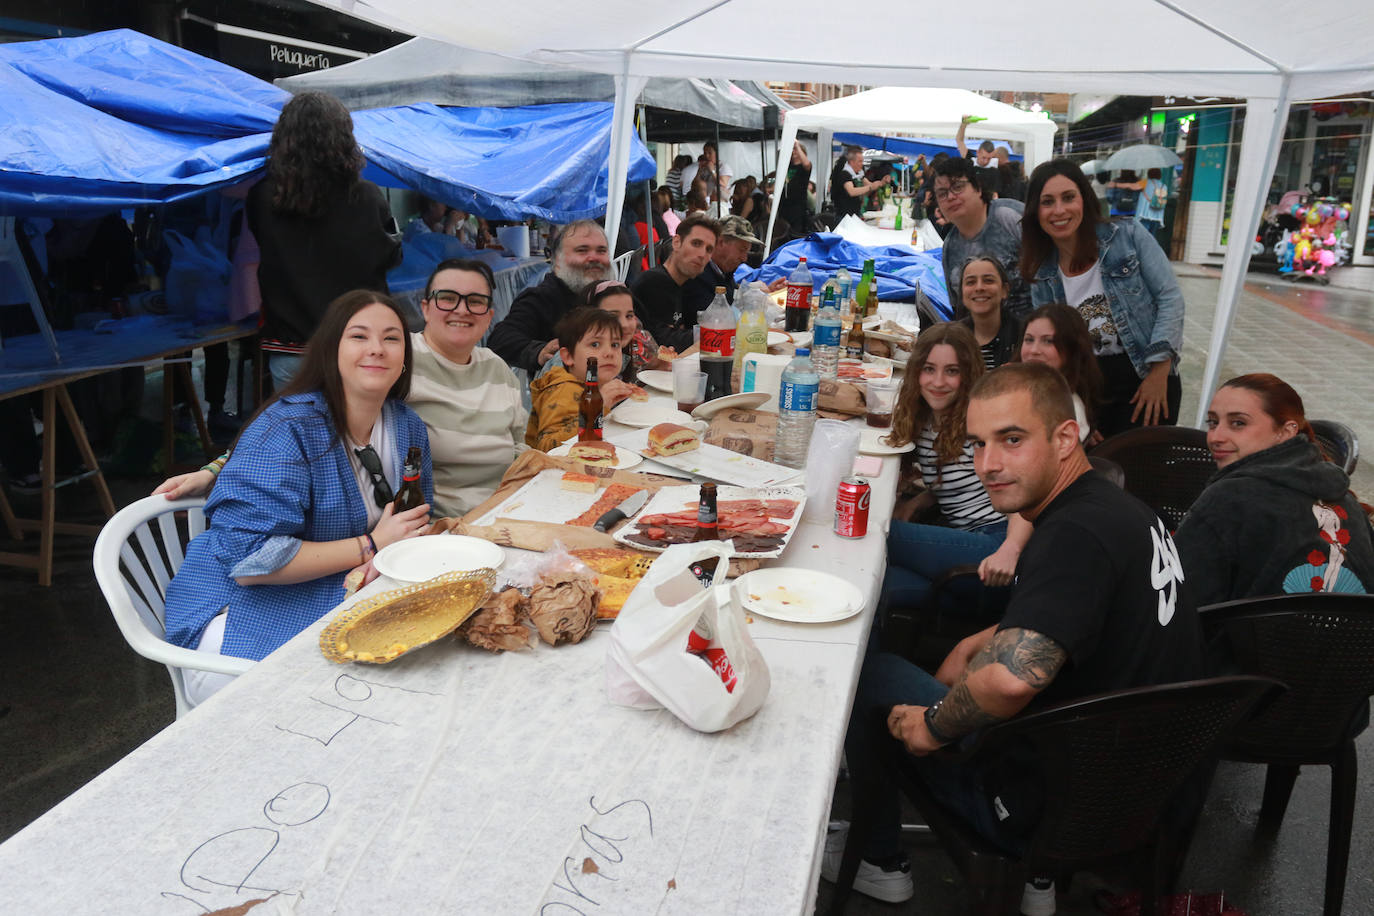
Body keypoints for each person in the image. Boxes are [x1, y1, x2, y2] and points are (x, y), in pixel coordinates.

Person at [829, 362, 1203, 910]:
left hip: (1053, 803)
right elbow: (1080, 615)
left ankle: (880, 860)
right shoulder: (1118, 508)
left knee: (865, 670)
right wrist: (975, 642)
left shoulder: (1071, 536)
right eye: (978, 444)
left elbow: (1008, 684)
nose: (989, 465)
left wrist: (932, 727)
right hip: (1140, 788)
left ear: (1065, 437)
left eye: (1011, 440)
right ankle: (1035, 878)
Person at [161, 291, 433, 705]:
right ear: (331, 350)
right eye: (358, 336)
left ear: (405, 355)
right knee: (368, 700)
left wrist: (392, 549)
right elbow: (250, 562)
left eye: (392, 338)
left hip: (338, 595)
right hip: (237, 623)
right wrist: (373, 545)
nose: (376, 348)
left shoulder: (406, 426)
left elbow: (414, 523)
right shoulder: (288, 428)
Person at [1175, 374, 1374, 606]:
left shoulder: (1229, 497)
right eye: (1212, 422)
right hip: (1353, 638)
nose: (1216, 437)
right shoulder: (1338, 488)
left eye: (1238, 423)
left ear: (1286, 431)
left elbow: (1175, 598)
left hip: (1257, 640)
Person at [1020, 158, 1185, 439]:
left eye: (1068, 197)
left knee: (1145, 472)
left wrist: (1159, 373)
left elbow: (1170, 298)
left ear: (1084, 199)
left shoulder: (1128, 235)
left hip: (1147, 375)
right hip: (1087, 390)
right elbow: (1051, 345)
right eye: (1047, 202)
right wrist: (1072, 407)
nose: (1059, 210)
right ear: (1036, 211)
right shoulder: (1042, 272)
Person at [247, 92, 401, 388]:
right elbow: (391, 258)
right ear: (344, 138)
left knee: (301, 434)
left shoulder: (261, 197)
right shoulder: (368, 198)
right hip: (358, 348)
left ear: (283, 139)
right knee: (360, 434)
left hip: (291, 349)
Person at [883, 324, 1032, 611]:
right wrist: (919, 500)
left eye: (952, 371)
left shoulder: (983, 422)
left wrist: (1010, 550)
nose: (938, 382)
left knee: (878, 534)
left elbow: (1029, 492)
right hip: (962, 547)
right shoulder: (925, 417)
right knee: (875, 585)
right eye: (929, 369)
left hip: (997, 546)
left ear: (968, 375)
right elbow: (962, 479)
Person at [488, 220, 610, 375]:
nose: (594, 258)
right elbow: (501, 340)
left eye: (601, 251)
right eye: (582, 250)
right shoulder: (541, 298)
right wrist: (539, 352)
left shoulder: (611, 294)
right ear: (557, 261)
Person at [931, 156, 1031, 320]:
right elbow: (960, 310)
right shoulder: (950, 247)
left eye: (958, 187)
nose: (950, 197)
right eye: (942, 193)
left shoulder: (1009, 217)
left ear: (977, 187)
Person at [525, 307, 635, 451]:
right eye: (595, 344)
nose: (609, 353)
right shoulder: (563, 390)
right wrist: (596, 408)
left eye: (615, 345)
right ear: (568, 356)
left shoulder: (596, 385)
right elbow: (546, 447)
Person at [538, 280, 676, 380]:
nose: (624, 325)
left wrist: (655, 367)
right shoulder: (565, 364)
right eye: (612, 316)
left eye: (629, 315)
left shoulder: (633, 346)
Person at [1013, 303, 1103, 444]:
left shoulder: (1070, 410)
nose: (1034, 350)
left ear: (1071, 349)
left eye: (1048, 341)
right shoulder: (1009, 391)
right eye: (1029, 340)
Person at [628, 214, 719, 351]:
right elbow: (663, 343)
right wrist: (714, 334)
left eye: (709, 249)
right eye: (696, 243)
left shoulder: (682, 283)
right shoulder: (654, 283)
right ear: (676, 242)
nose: (702, 254)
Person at [955, 256, 1021, 370]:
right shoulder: (953, 338)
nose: (979, 288)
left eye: (988, 280)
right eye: (970, 282)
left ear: (1004, 290)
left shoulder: (1024, 336)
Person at [682, 215, 758, 312]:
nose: (744, 258)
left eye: (746, 252)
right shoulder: (697, 275)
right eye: (741, 250)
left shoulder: (724, 272)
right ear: (721, 242)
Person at [830, 146, 891, 220]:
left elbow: (869, 185)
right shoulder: (845, 174)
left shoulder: (859, 174)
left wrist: (882, 182)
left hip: (855, 214)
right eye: (860, 161)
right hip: (844, 216)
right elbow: (852, 191)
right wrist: (870, 187)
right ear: (852, 162)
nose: (862, 164)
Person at [955, 115, 1001, 198]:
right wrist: (963, 125)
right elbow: (959, 140)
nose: (986, 161)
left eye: (989, 158)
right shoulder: (969, 160)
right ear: (978, 152)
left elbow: (994, 193)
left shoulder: (994, 171)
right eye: (984, 157)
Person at [778, 141, 812, 238]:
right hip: (784, 206)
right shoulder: (787, 166)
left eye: (796, 150)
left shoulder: (804, 168)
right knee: (784, 234)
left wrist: (797, 146)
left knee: (796, 233)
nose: (794, 152)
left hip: (798, 207)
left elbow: (807, 164)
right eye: (792, 150)